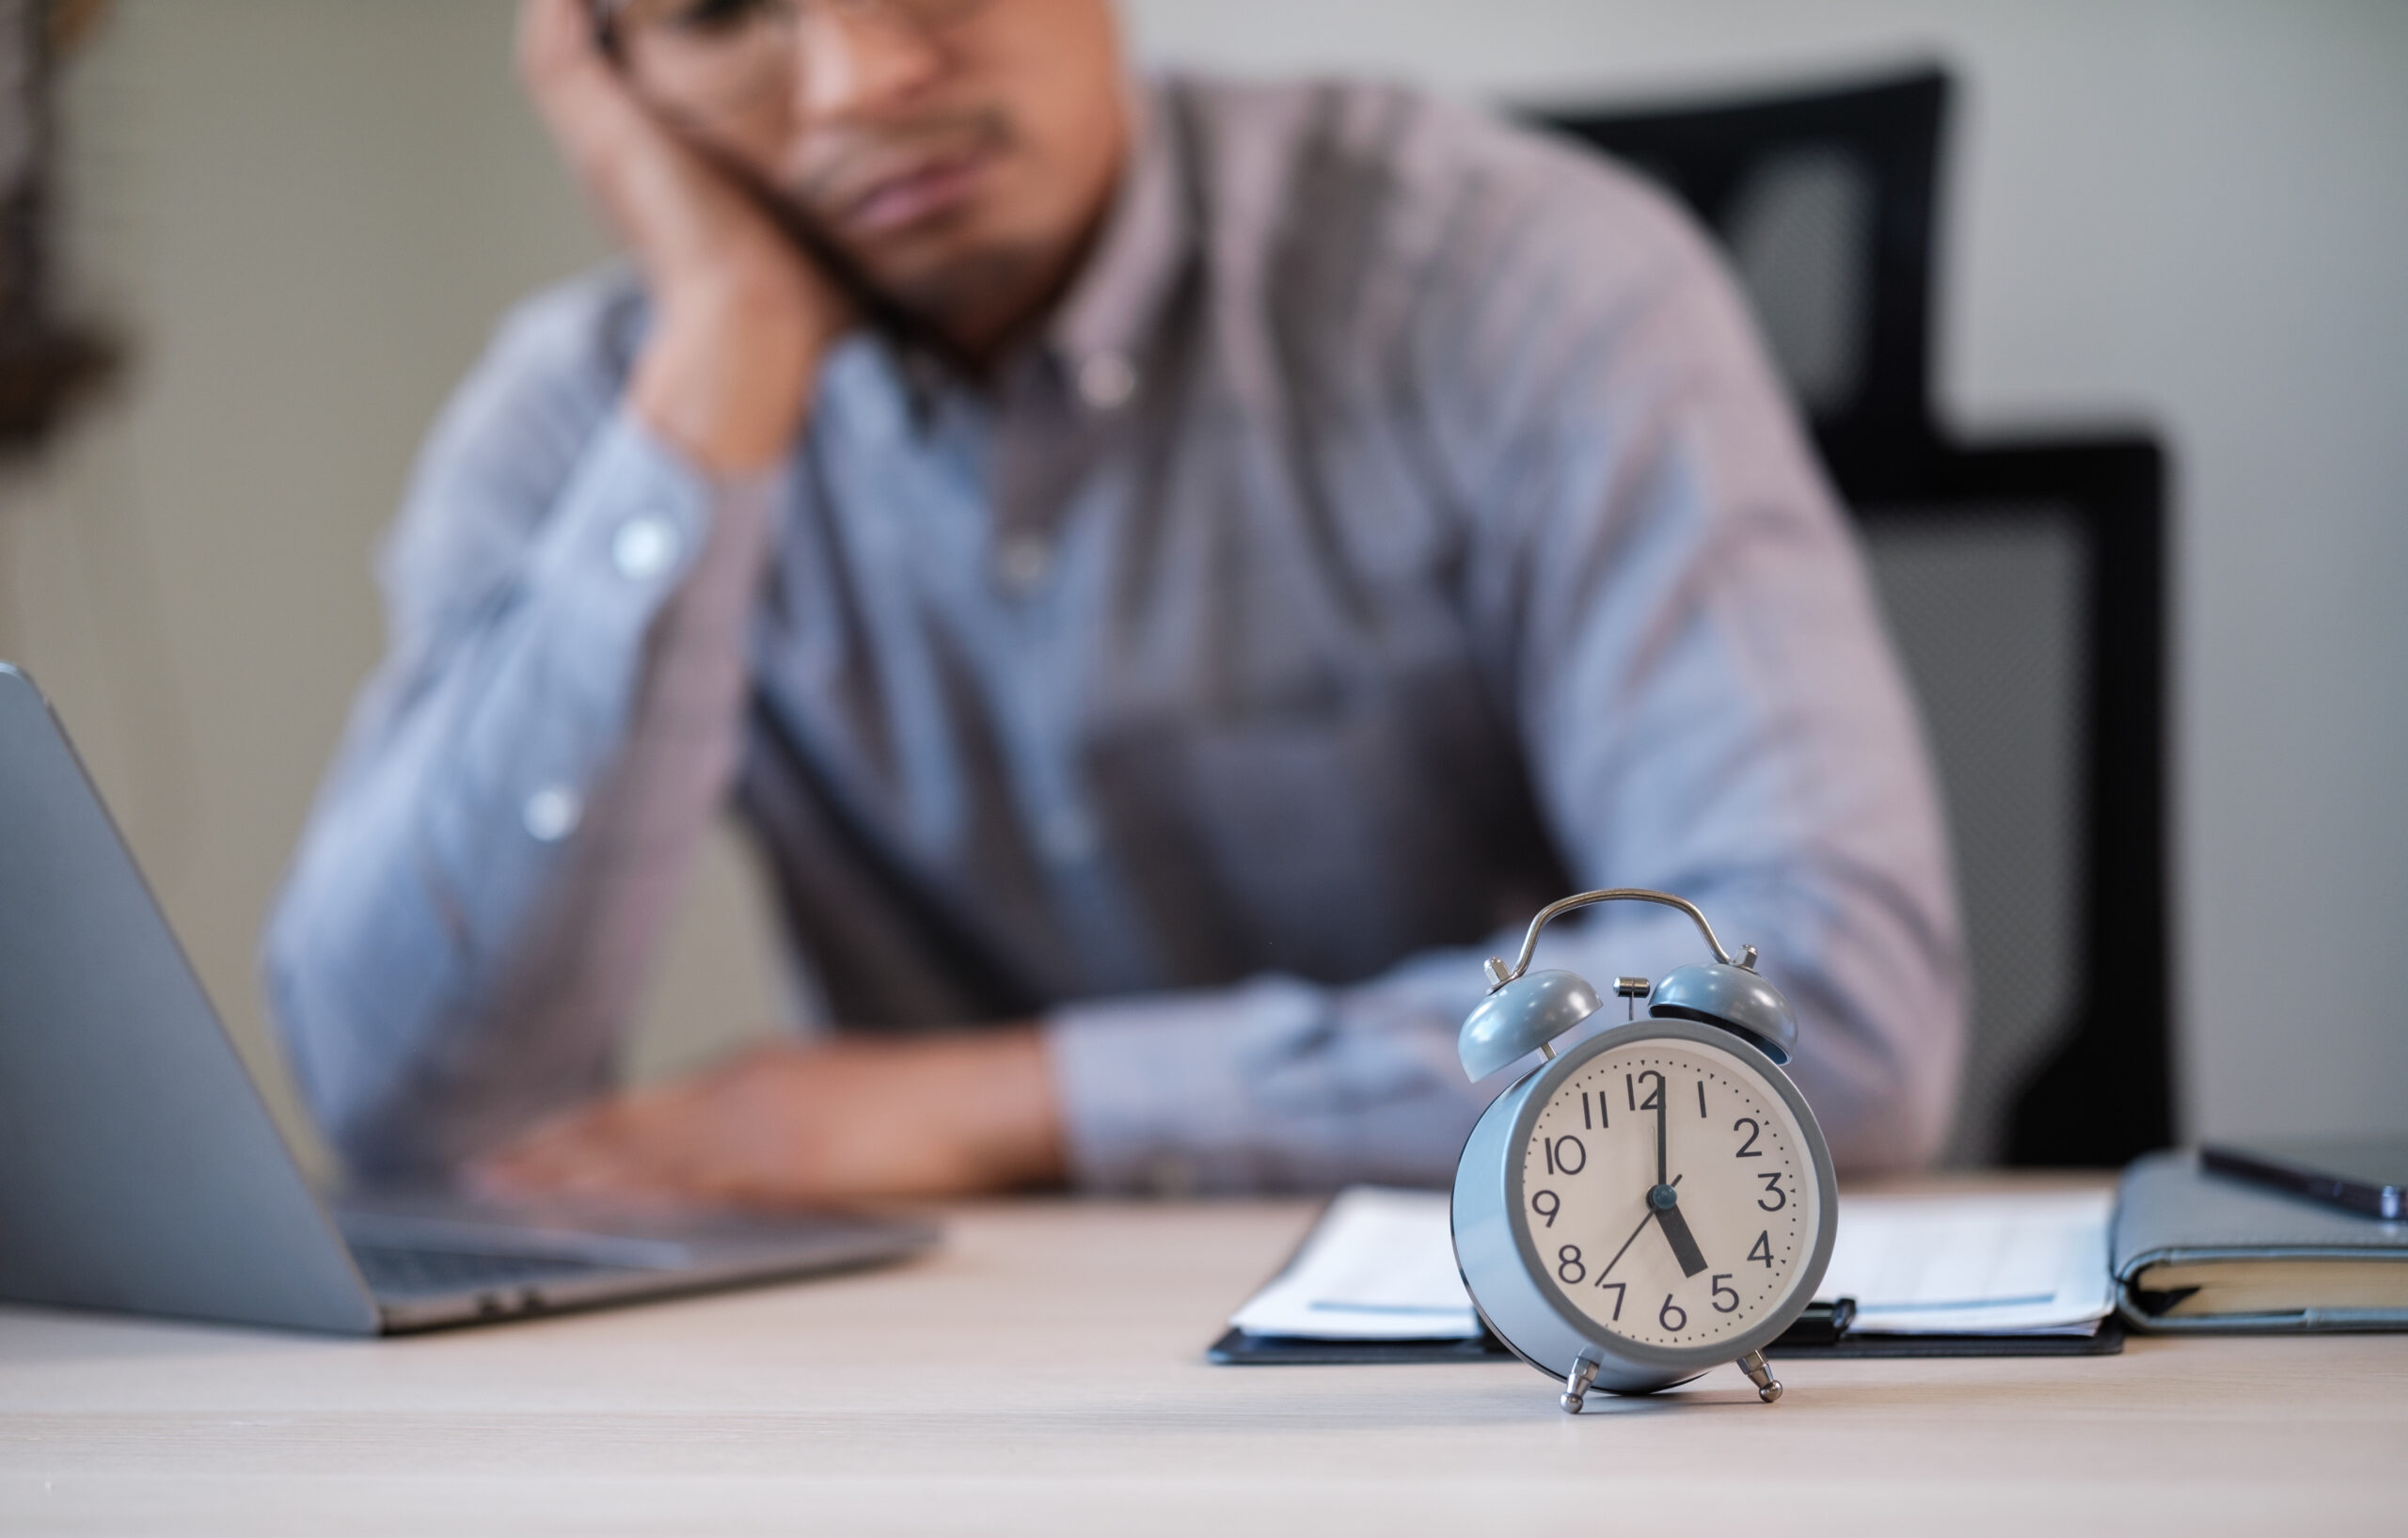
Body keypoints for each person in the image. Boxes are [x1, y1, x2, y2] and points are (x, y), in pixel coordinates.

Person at [264, 0, 1965, 1207]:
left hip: (1535, 1350)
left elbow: (1833, 1001)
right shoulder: (599, 421)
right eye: (720, 11)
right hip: (954, 1414)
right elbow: (420, 1118)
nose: (855, 80)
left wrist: (1016, 1104)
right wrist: (724, 350)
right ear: (611, 74)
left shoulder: (1518, 274)